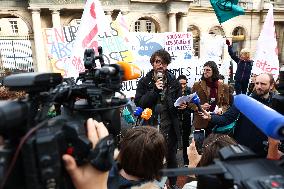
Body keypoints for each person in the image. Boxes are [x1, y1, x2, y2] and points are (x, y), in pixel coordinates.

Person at [134, 49, 182, 189]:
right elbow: (140, 103)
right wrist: (154, 90)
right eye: (157, 62)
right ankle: (151, 185)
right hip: (151, 126)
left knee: (171, 157)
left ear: (167, 65)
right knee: (151, 157)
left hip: (169, 126)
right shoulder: (144, 82)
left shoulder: (174, 81)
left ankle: (173, 184)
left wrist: (182, 106)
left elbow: (178, 101)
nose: (160, 65)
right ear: (152, 64)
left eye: (164, 63)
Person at [200, 73, 276, 157]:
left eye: (263, 84)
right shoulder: (244, 101)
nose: (258, 86)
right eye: (257, 83)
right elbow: (226, 118)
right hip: (242, 149)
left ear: (271, 85)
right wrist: (210, 117)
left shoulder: (277, 103)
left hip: (265, 153)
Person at [190, 61, 230, 135]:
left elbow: (226, 104)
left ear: (214, 71)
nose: (205, 72)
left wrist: (221, 110)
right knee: (200, 145)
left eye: (208, 70)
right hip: (201, 122)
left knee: (214, 145)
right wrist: (200, 107)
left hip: (216, 121)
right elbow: (190, 104)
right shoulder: (197, 85)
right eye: (204, 70)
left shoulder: (224, 86)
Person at [177, 74, 193, 166]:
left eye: (184, 84)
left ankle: (186, 160)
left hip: (186, 118)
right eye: (181, 84)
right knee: (175, 139)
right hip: (176, 119)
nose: (183, 86)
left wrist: (187, 106)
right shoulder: (173, 92)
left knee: (186, 140)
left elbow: (192, 106)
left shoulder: (189, 91)